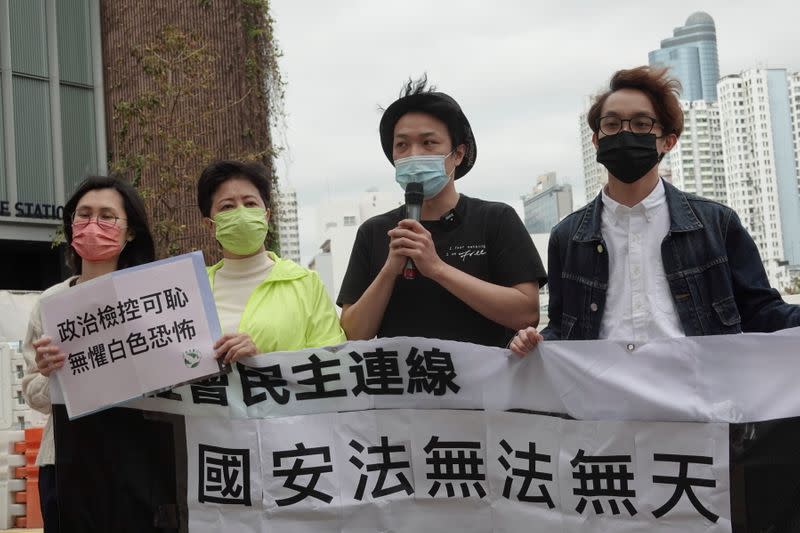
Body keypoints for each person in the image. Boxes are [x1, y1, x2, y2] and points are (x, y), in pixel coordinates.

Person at [510, 66, 800, 355]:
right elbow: (562, 325)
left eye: (641, 124)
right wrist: (535, 342)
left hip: (699, 393)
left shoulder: (717, 224)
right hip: (603, 394)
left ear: (668, 141)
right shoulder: (568, 236)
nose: (625, 132)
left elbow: (761, 313)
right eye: (611, 124)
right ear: (596, 140)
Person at [338, 76, 546, 348]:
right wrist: (390, 270)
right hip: (403, 387)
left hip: (485, 388)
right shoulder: (375, 231)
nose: (414, 154)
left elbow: (527, 312)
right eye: (402, 145)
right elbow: (352, 334)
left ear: (458, 154)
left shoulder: (495, 219)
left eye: (428, 143)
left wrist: (436, 268)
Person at [22, 176, 157, 532]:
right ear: (71, 226)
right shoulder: (50, 303)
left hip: (137, 457)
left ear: (130, 231)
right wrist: (48, 373)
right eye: (83, 215)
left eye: (107, 216)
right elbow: (33, 395)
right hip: (65, 461)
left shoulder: (151, 299)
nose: (93, 225)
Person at [197, 160, 345, 359]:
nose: (241, 213)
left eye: (250, 203)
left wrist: (263, 363)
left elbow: (333, 365)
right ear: (210, 225)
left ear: (266, 215)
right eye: (227, 207)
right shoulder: (194, 290)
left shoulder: (305, 283)